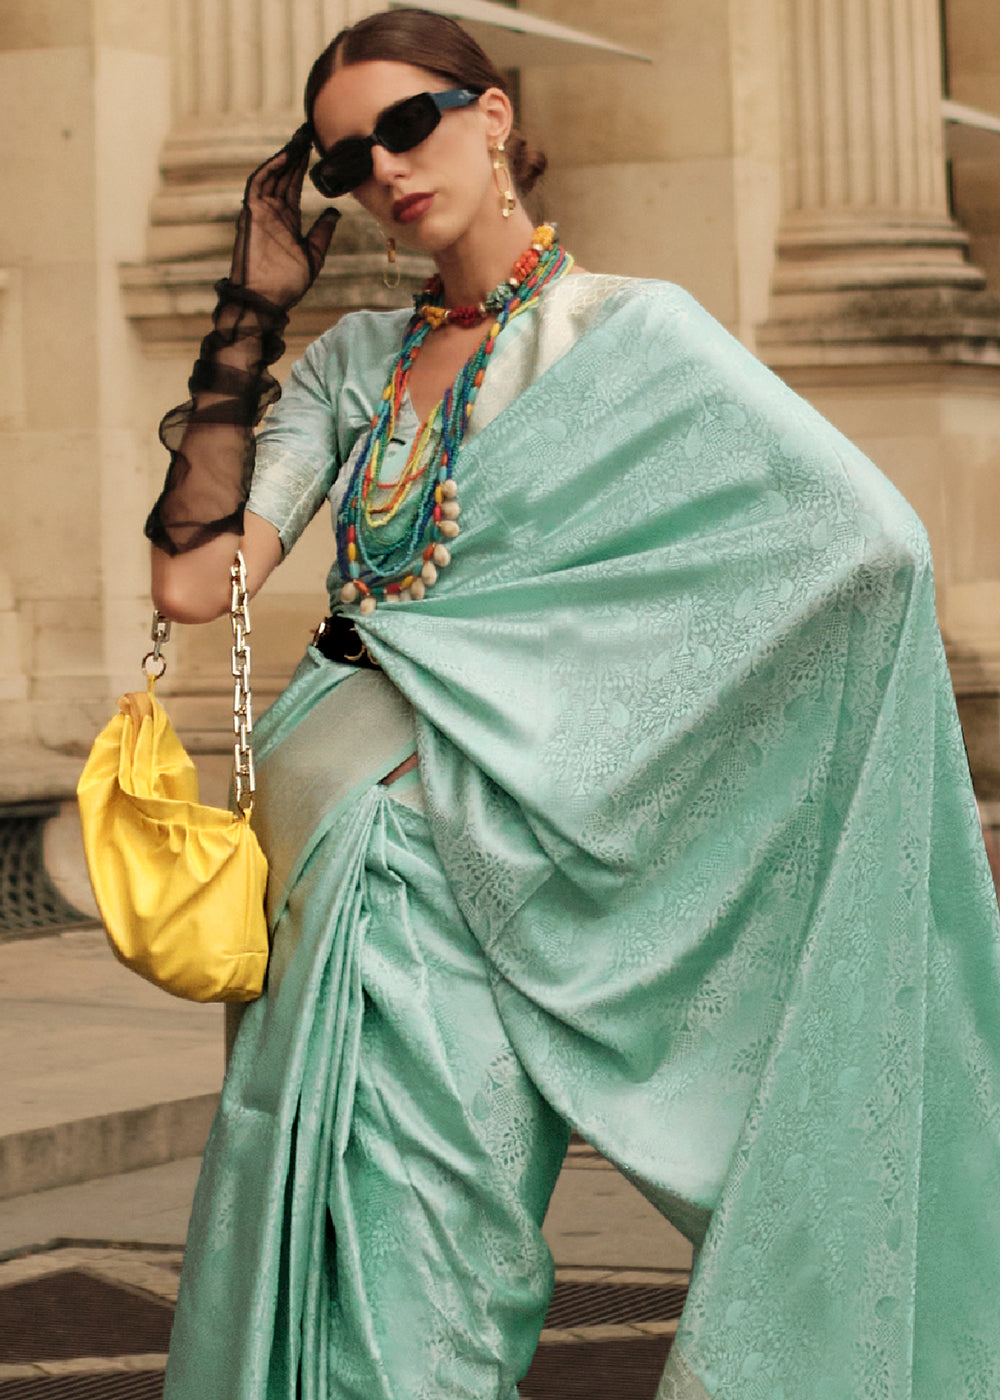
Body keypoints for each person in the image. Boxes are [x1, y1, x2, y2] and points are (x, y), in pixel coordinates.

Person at [150, 9, 1000, 1399]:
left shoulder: (627, 338)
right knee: (315, 1249)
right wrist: (249, 313)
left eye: (407, 126)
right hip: (317, 863)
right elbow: (199, 583)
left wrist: (577, 725)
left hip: (475, 859)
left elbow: (869, 546)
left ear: (493, 114)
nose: (384, 171)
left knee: (435, 1284)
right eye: (347, 159)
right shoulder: (354, 362)